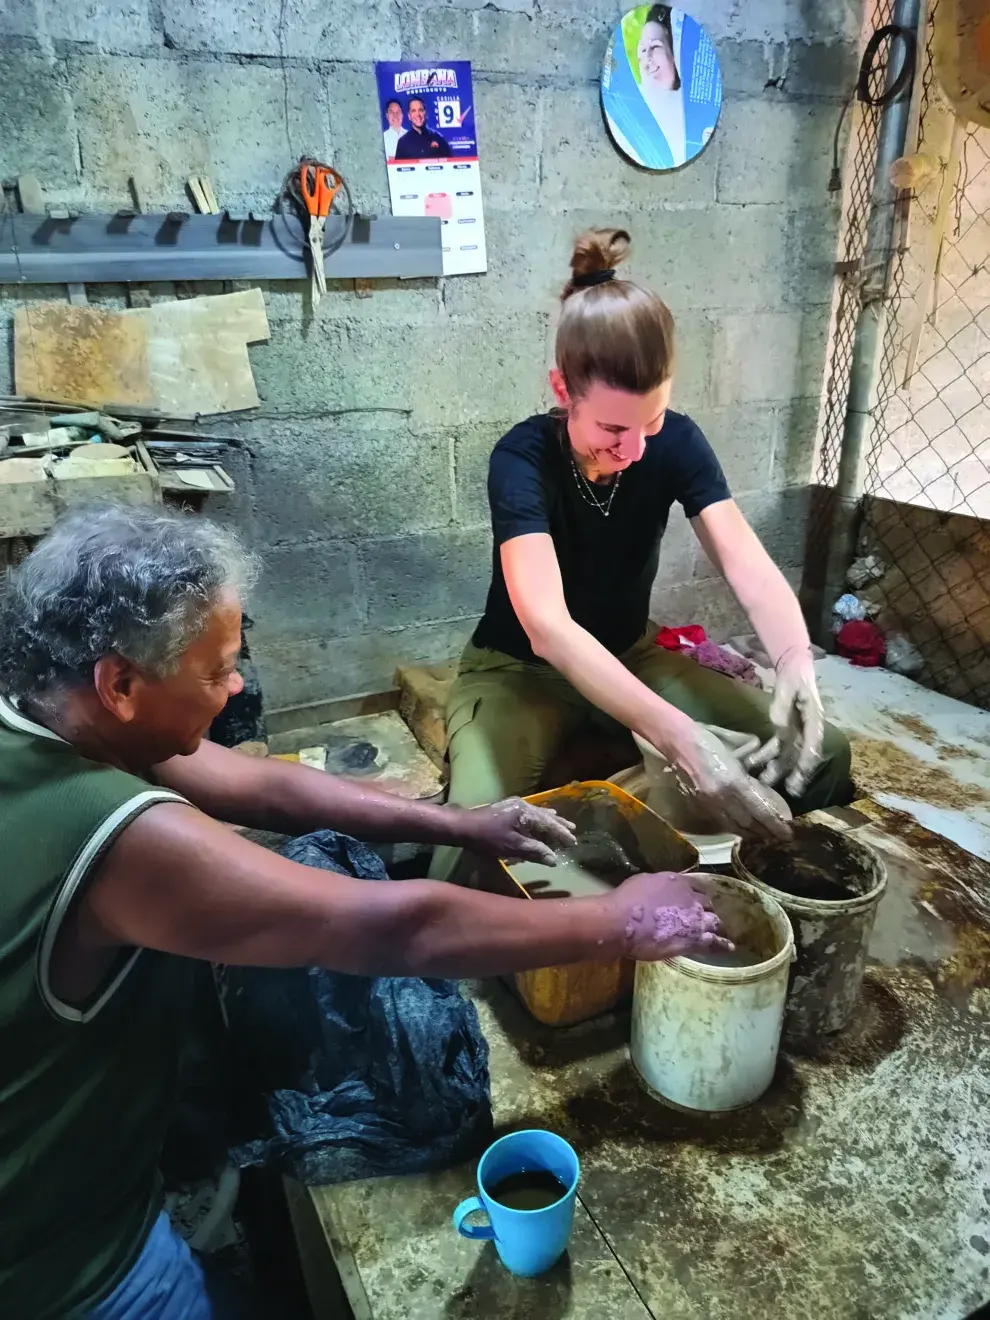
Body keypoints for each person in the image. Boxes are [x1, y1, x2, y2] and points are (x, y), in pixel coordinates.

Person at [0, 503, 730, 1320]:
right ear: (122, 683)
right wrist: (622, 922)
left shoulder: (44, 721)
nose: (236, 685)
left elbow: (261, 784)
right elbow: (393, 929)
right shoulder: (116, 836)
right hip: (62, 1258)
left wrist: (458, 820)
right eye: (216, 671)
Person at [431, 227, 852, 884]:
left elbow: (746, 563)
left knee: (821, 756)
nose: (633, 449)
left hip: (630, 651)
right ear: (561, 389)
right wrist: (682, 739)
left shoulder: (676, 443)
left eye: (650, 423)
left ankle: (775, 901)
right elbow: (548, 628)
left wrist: (795, 659)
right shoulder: (522, 458)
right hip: (518, 671)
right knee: (468, 841)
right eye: (612, 429)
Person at [636, 5, 686, 166]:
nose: (647, 58)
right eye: (642, 50)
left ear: (675, 54)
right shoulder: (630, 104)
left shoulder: (690, 110)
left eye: (656, 46)